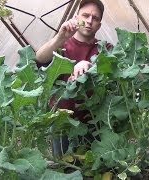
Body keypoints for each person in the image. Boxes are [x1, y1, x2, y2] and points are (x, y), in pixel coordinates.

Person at [36, 0, 111, 157]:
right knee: (64, 166)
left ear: (99, 24)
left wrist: (90, 65)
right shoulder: (62, 45)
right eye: (86, 15)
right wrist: (59, 38)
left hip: (94, 122)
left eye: (95, 18)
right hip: (62, 122)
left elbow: (114, 69)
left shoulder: (105, 49)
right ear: (77, 17)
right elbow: (40, 59)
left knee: (94, 166)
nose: (90, 21)